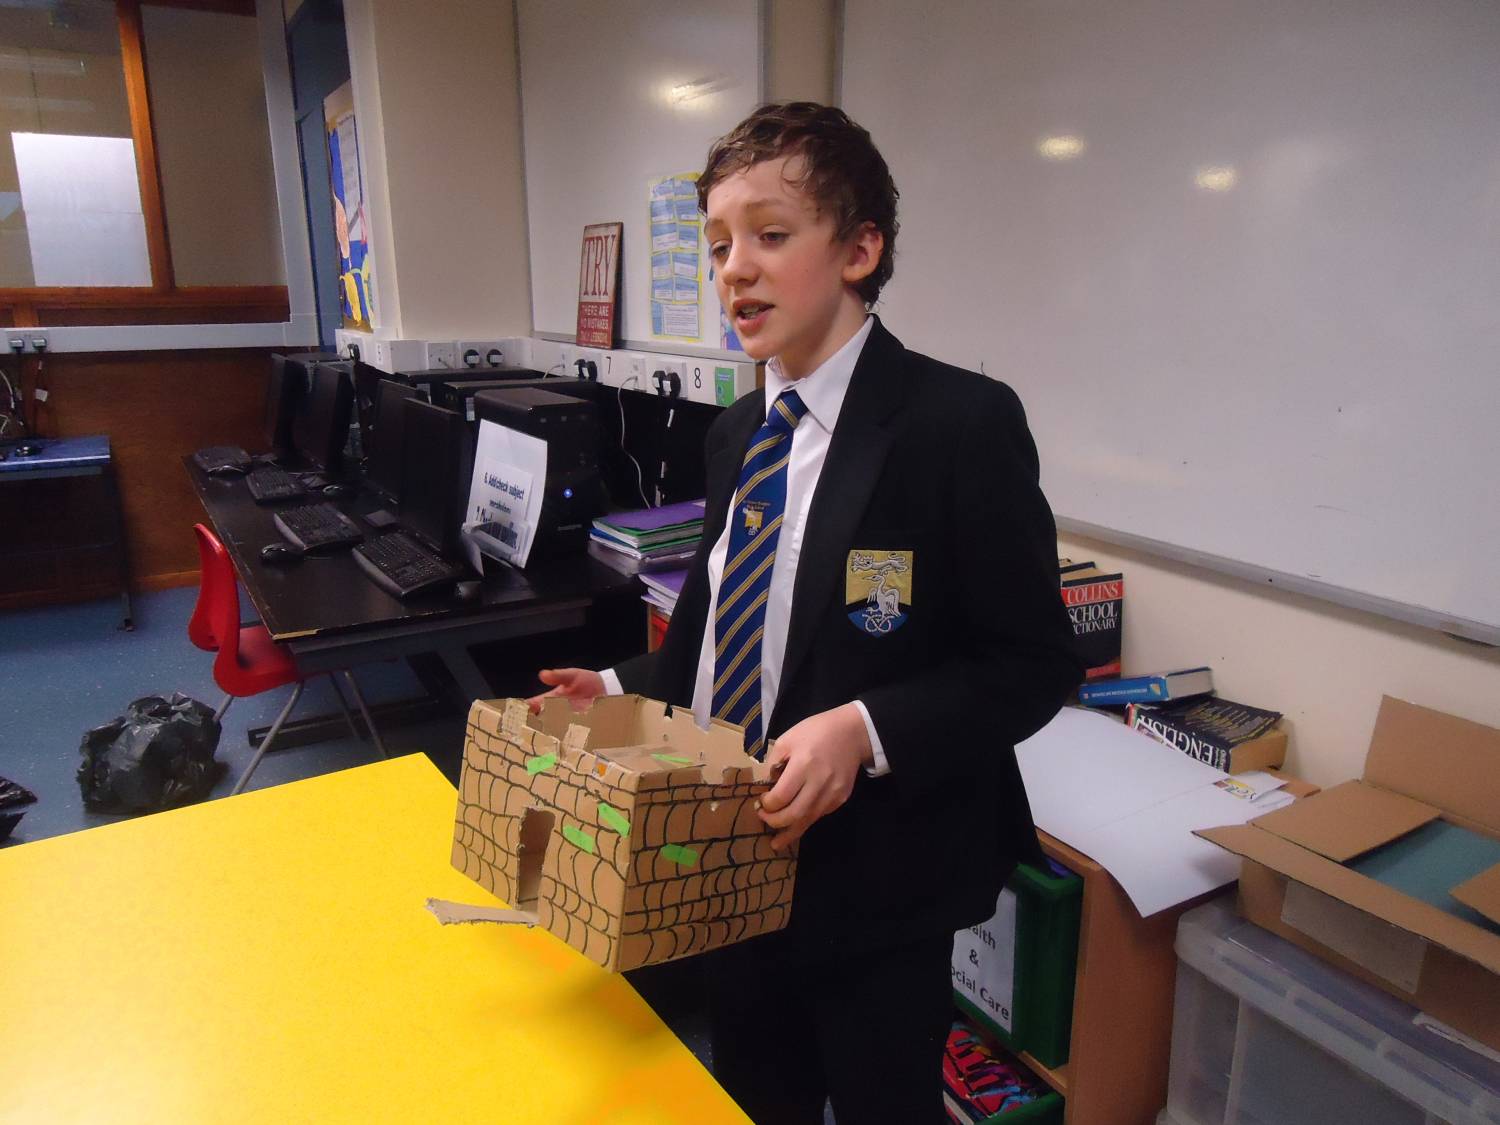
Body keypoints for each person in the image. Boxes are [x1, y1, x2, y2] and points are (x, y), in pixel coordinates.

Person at [530, 102, 1082, 1124]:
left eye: (771, 235)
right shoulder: (737, 433)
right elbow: (717, 633)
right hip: (730, 854)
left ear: (860, 251)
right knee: (754, 1089)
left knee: (882, 1101)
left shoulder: (956, 425)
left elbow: (1033, 662)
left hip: (880, 879)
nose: (734, 270)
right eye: (718, 246)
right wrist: (610, 687)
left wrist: (865, 729)